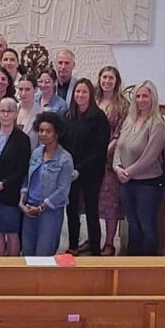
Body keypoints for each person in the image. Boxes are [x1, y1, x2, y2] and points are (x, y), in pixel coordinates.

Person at [114, 80, 165, 256]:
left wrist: (128, 172)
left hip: (148, 185)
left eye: (145, 95)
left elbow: (149, 157)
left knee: (147, 227)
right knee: (132, 225)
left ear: (153, 97)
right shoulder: (129, 120)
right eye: (138, 96)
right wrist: (117, 167)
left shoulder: (157, 125)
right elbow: (119, 147)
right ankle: (132, 262)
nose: (141, 99)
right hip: (126, 182)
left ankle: (148, 267)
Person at [62, 80, 111, 256]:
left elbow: (99, 150)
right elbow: (63, 143)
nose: (80, 95)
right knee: (72, 209)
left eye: (84, 92)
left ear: (90, 95)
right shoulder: (68, 116)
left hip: (91, 172)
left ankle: (95, 250)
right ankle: (73, 245)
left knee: (91, 210)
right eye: (77, 92)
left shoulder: (99, 118)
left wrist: (80, 169)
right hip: (70, 171)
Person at [0, 98, 31, 256]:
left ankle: (12, 269)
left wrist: (3, 184)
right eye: (2, 110)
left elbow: (22, 169)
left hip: (9, 192)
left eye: (10, 111)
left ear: (16, 114)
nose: (6, 114)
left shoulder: (23, 139)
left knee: (11, 231)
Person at [20, 112, 74, 256]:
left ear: (56, 133)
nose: (43, 134)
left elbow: (63, 190)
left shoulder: (65, 159)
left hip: (50, 211)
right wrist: (22, 201)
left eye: (48, 131)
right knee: (27, 251)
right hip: (30, 207)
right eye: (41, 130)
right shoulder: (36, 153)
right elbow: (28, 179)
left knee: (44, 253)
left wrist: (41, 207)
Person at [95, 66, 129, 256]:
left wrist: (104, 152)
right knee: (91, 201)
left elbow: (120, 133)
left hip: (109, 160)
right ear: (99, 79)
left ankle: (109, 242)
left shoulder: (122, 105)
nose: (107, 81)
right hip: (91, 159)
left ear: (116, 81)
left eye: (111, 78)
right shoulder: (93, 100)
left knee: (110, 203)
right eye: (104, 77)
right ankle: (93, 237)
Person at [16, 75, 43, 149]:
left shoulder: (42, 113)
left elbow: (42, 144)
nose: (23, 93)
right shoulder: (13, 108)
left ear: (35, 90)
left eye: (27, 89)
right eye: (21, 89)